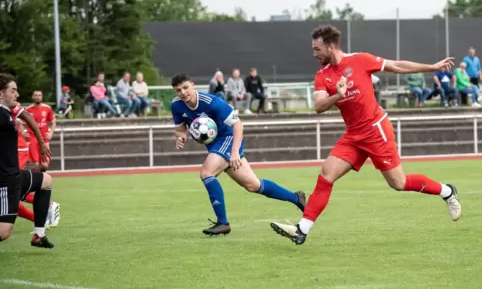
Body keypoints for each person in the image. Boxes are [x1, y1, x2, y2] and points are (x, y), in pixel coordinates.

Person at [269, 26, 461, 245]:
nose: (314, 54)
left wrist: (431, 67)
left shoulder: (360, 60)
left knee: (399, 183)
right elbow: (319, 106)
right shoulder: (322, 75)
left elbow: (396, 65)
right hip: (353, 136)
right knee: (327, 174)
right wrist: (337, 96)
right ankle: (302, 230)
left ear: (331, 47)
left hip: (376, 130)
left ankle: (447, 191)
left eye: (317, 49)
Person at [170, 74, 306, 236]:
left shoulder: (212, 102)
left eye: (185, 87)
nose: (183, 92)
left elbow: (237, 124)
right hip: (215, 145)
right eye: (179, 90)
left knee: (206, 173)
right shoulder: (177, 105)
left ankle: (223, 223)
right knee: (253, 185)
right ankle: (296, 198)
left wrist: (234, 152)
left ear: (193, 85)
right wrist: (181, 137)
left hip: (228, 139)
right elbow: (180, 129)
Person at [0, 73, 55, 248]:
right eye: (13, 91)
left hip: (15, 174)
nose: (17, 95)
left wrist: (41, 142)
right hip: (5, 180)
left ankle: (39, 234)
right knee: (4, 233)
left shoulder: (9, 111)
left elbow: (27, 117)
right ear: (1, 93)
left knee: (46, 182)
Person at [11, 102, 60, 229]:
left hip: (17, 150)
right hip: (10, 151)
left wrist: (42, 142)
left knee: (13, 189)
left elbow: (26, 117)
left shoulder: (7, 101)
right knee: (10, 193)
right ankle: (42, 218)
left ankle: (46, 209)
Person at [26, 90, 56, 171]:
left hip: (44, 139)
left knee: (44, 166)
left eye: (39, 95)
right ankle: (35, 181)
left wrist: (51, 133)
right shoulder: (28, 109)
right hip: (33, 139)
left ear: (42, 97)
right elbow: (21, 122)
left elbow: (53, 121)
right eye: (36, 95)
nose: (37, 97)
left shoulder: (47, 108)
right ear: (32, 97)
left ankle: (40, 179)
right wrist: (23, 132)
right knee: (35, 164)